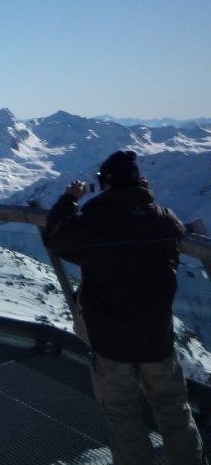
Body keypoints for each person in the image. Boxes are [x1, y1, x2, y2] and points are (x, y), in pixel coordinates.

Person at [42, 150, 204, 465]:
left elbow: (55, 239)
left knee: (123, 418)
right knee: (175, 412)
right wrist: (146, 197)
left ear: (107, 185)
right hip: (157, 337)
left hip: (110, 341)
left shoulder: (95, 224)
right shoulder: (166, 220)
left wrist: (69, 201)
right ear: (139, 183)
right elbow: (161, 227)